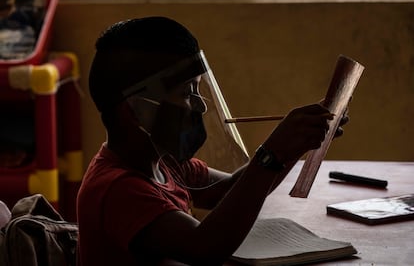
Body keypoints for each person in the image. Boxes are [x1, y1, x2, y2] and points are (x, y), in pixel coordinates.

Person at [77, 16, 347, 266]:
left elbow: (229, 189)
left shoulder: (166, 163)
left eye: (197, 88)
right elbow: (204, 247)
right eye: (186, 92)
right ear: (136, 110)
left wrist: (295, 143)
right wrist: (274, 153)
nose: (200, 106)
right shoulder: (117, 190)